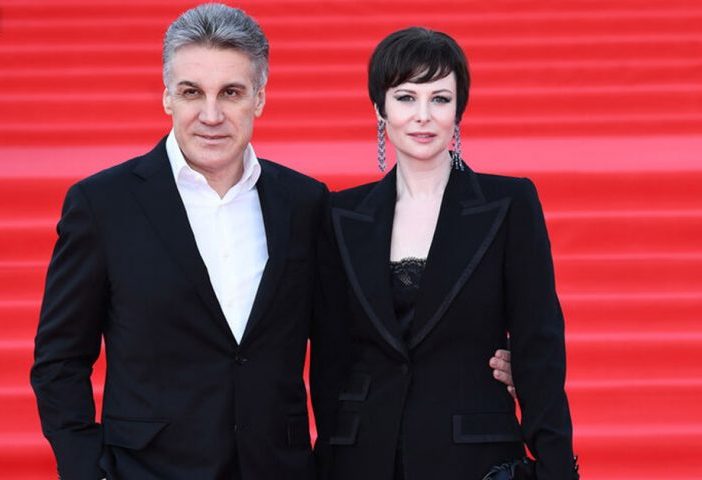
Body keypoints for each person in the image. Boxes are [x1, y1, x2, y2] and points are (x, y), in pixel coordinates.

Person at [30, 5, 516, 480]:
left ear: (259, 99)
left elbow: (350, 342)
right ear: (167, 98)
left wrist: (485, 358)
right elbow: (59, 359)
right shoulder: (104, 204)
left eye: (232, 92)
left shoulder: (303, 203)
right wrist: (87, 468)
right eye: (192, 92)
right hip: (147, 468)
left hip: (279, 467)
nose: (211, 114)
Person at [312, 27, 576, 480]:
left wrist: (556, 467)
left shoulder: (508, 205)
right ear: (380, 108)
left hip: (474, 459)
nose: (423, 116)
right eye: (405, 97)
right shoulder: (341, 215)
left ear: (459, 110)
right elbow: (330, 359)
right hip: (365, 457)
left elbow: (540, 347)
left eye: (439, 99)